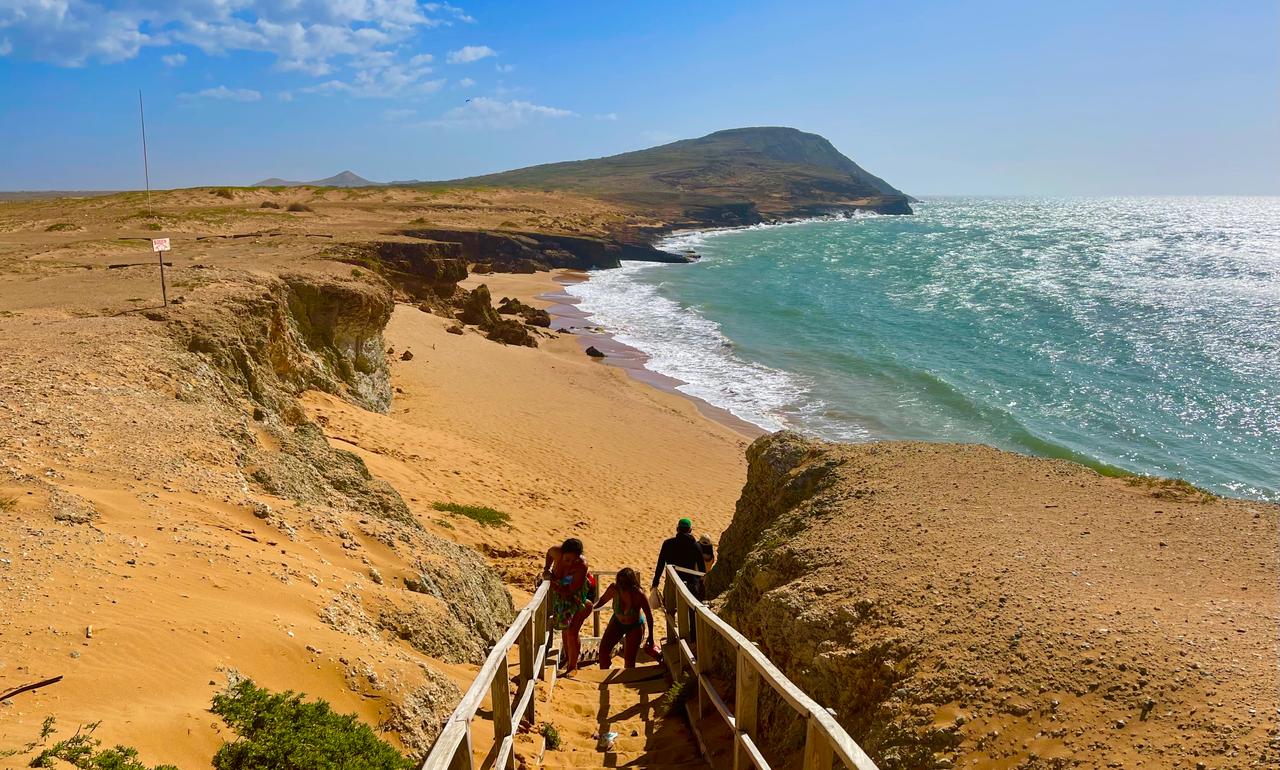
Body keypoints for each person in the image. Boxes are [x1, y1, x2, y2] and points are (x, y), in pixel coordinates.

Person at [547, 537, 593, 677]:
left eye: (574, 560)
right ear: (562, 552)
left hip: (577, 600)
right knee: (565, 629)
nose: (571, 563)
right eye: (568, 559)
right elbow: (548, 554)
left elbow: (572, 590)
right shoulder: (556, 552)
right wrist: (546, 569)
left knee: (572, 631)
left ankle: (573, 666)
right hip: (561, 600)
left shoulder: (581, 566)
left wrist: (555, 586)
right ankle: (568, 658)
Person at [592, 567, 654, 669]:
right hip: (617, 622)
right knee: (603, 652)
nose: (622, 585)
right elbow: (601, 601)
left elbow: (649, 616)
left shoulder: (639, 594)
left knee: (629, 661)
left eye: (624, 583)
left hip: (634, 626)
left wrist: (651, 636)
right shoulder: (614, 589)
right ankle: (605, 673)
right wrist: (590, 608)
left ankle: (626, 678)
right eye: (620, 582)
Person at [652, 517, 706, 612]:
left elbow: (660, 565)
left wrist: (655, 583)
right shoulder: (696, 546)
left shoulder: (668, 544)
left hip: (672, 584)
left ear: (677, 529)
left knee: (670, 613)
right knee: (692, 613)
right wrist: (701, 587)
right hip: (690, 585)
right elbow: (702, 570)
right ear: (690, 530)